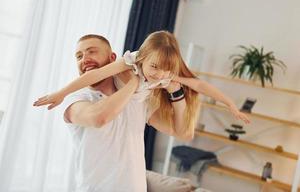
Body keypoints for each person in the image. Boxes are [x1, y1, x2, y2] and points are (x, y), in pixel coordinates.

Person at [34, 31, 250, 191]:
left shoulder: (142, 99)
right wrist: (60, 93)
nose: (84, 59)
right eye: (78, 56)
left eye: (91, 52)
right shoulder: (78, 99)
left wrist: (178, 94)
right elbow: (100, 117)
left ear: (112, 58)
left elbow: (184, 132)